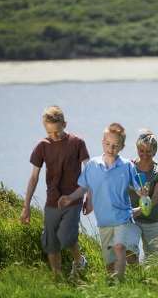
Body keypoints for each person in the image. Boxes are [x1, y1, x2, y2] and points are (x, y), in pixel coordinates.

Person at [58, 122, 146, 282]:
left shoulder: (127, 166)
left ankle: (120, 285)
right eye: (107, 144)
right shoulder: (92, 165)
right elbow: (84, 187)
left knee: (120, 247)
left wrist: (143, 194)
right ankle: (118, 283)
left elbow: (139, 188)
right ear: (102, 142)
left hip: (123, 218)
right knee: (109, 263)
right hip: (104, 222)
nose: (111, 148)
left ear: (122, 147)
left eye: (115, 145)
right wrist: (70, 198)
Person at [20, 105, 90, 280]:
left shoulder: (78, 143)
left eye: (57, 132)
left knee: (66, 237)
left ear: (64, 124)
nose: (54, 136)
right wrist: (26, 205)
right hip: (52, 200)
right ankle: (57, 278)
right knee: (51, 242)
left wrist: (90, 197)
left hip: (73, 199)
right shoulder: (42, 146)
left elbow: (90, 172)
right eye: (50, 132)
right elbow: (34, 177)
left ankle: (80, 261)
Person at [129, 130, 158, 259]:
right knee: (129, 253)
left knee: (152, 259)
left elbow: (155, 199)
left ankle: (151, 279)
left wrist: (138, 210)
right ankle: (134, 278)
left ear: (154, 151)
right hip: (131, 220)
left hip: (152, 220)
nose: (144, 155)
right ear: (137, 149)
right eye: (141, 151)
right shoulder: (129, 167)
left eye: (148, 151)